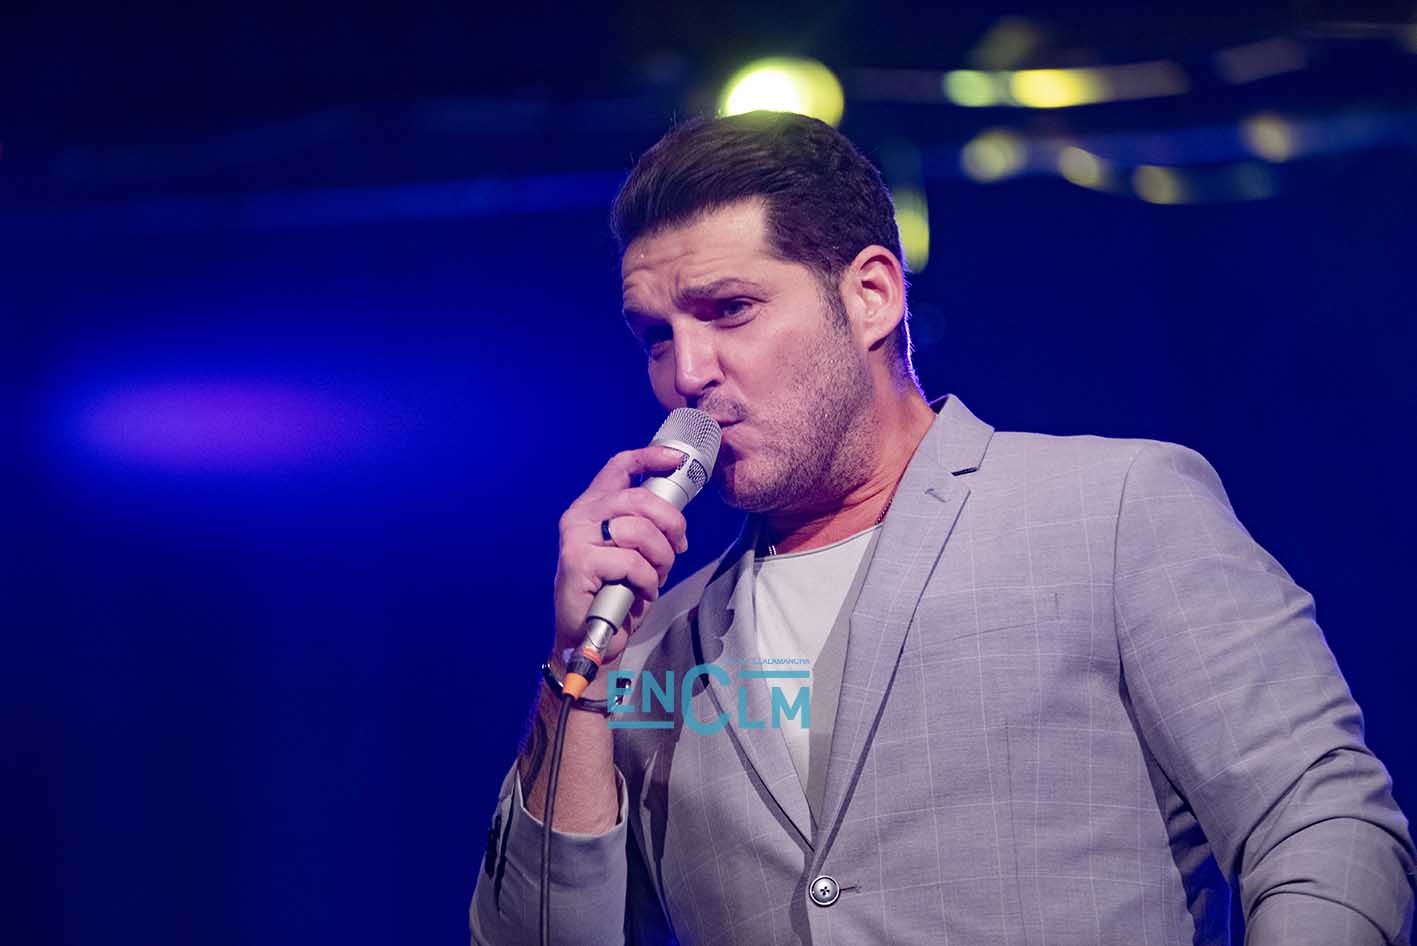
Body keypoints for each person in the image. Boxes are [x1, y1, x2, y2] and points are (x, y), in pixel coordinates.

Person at [469, 110, 1415, 945]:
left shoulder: (1116, 507)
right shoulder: (649, 649)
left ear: (870, 295)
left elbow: (1319, 821)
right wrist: (573, 675)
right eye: (656, 337)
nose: (687, 374)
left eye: (730, 310)